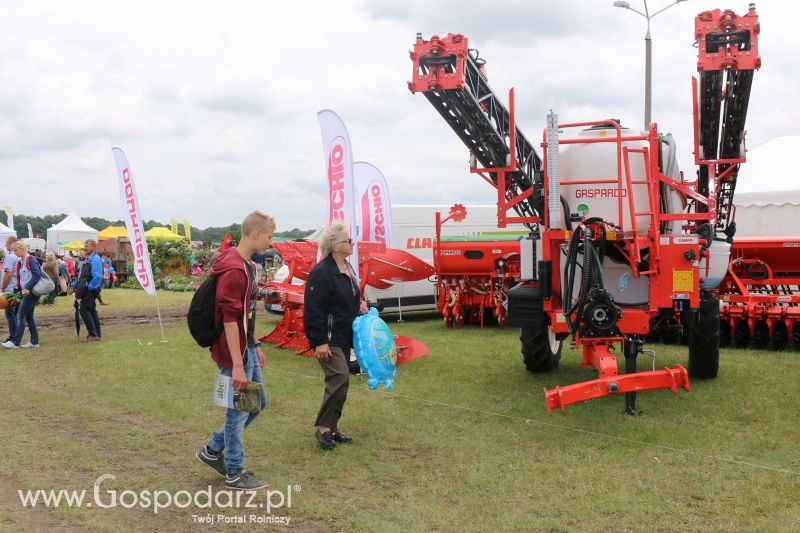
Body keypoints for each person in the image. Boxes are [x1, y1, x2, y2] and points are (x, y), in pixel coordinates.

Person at [196, 211, 274, 491]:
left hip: (245, 347)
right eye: (269, 236)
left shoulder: (248, 266)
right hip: (234, 353)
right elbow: (230, 319)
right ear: (255, 234)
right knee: (238, 411)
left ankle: (213, 449)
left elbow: (246, 315)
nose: (271, 241)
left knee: (258, 403)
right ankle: (234, 471)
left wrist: (255, 344)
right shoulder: (233, 269)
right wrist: (238, 364)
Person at [303, 222, 368, 450]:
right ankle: (323, 429)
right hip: (328, 338)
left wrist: (359, 304)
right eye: (348, 241)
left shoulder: (347, 268)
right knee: (339, 377)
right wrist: (319, 342)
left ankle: (332, 427)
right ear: (335, 245)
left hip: (345, 334)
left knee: (342, 382)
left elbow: (347, 297)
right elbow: (313, 310)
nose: (352, 243)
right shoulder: (321, 273)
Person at [2, 241, 41, 349]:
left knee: (20, 315)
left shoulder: (30, 260)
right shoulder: (21, 261)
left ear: (22, 249)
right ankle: (34, 341)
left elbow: (37, 275)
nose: (14, 252)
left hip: (30, 292)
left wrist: (28, 287)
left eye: (16, 250)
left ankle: (15, 342)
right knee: (29, 317)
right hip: (25, 292)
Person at [76, 239, 104, 341]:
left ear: (93, 247)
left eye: (87, 246)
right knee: (91, 310)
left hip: (90, 290)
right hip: (88, 289)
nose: (85, 247)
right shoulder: (89, 259)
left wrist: (89, 287)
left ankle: (93, 334)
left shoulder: (95, 259)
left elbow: (97, 277)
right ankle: (97, 334)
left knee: (84, 310)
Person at [1, 236, 20, 343]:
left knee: (10, 314)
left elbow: (8, 275)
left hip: (10, 289)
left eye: (6, 244)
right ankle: (16, 335)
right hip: (17, 288)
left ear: (12, 244)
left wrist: (3, 287)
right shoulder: (18, 256)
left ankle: (13, 337)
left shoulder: (10, 257)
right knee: (17, 314)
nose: (5, 246)